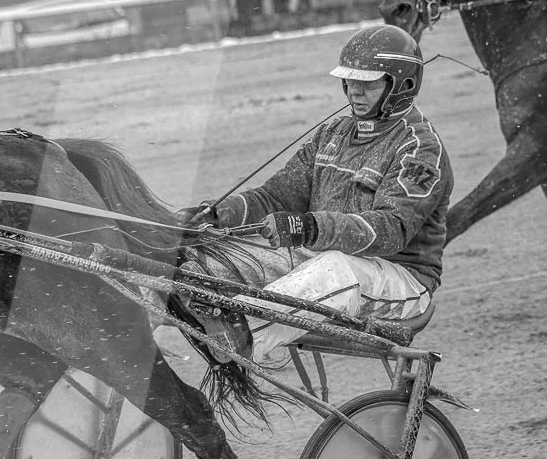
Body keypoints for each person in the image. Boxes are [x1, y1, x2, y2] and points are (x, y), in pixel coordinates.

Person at [179, 24, 452, 364]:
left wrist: (309, 227)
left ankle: (241, 333)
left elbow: (389, 231)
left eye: (367, 83)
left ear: (402, 86)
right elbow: (276, 197)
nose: (355, 92)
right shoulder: (332, 134)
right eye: (349, 81)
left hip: (401, 281)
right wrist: (219, 213)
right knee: (212, 259)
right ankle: (192, 306)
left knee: (335, 267)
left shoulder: (419, 148)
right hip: (322, 262)